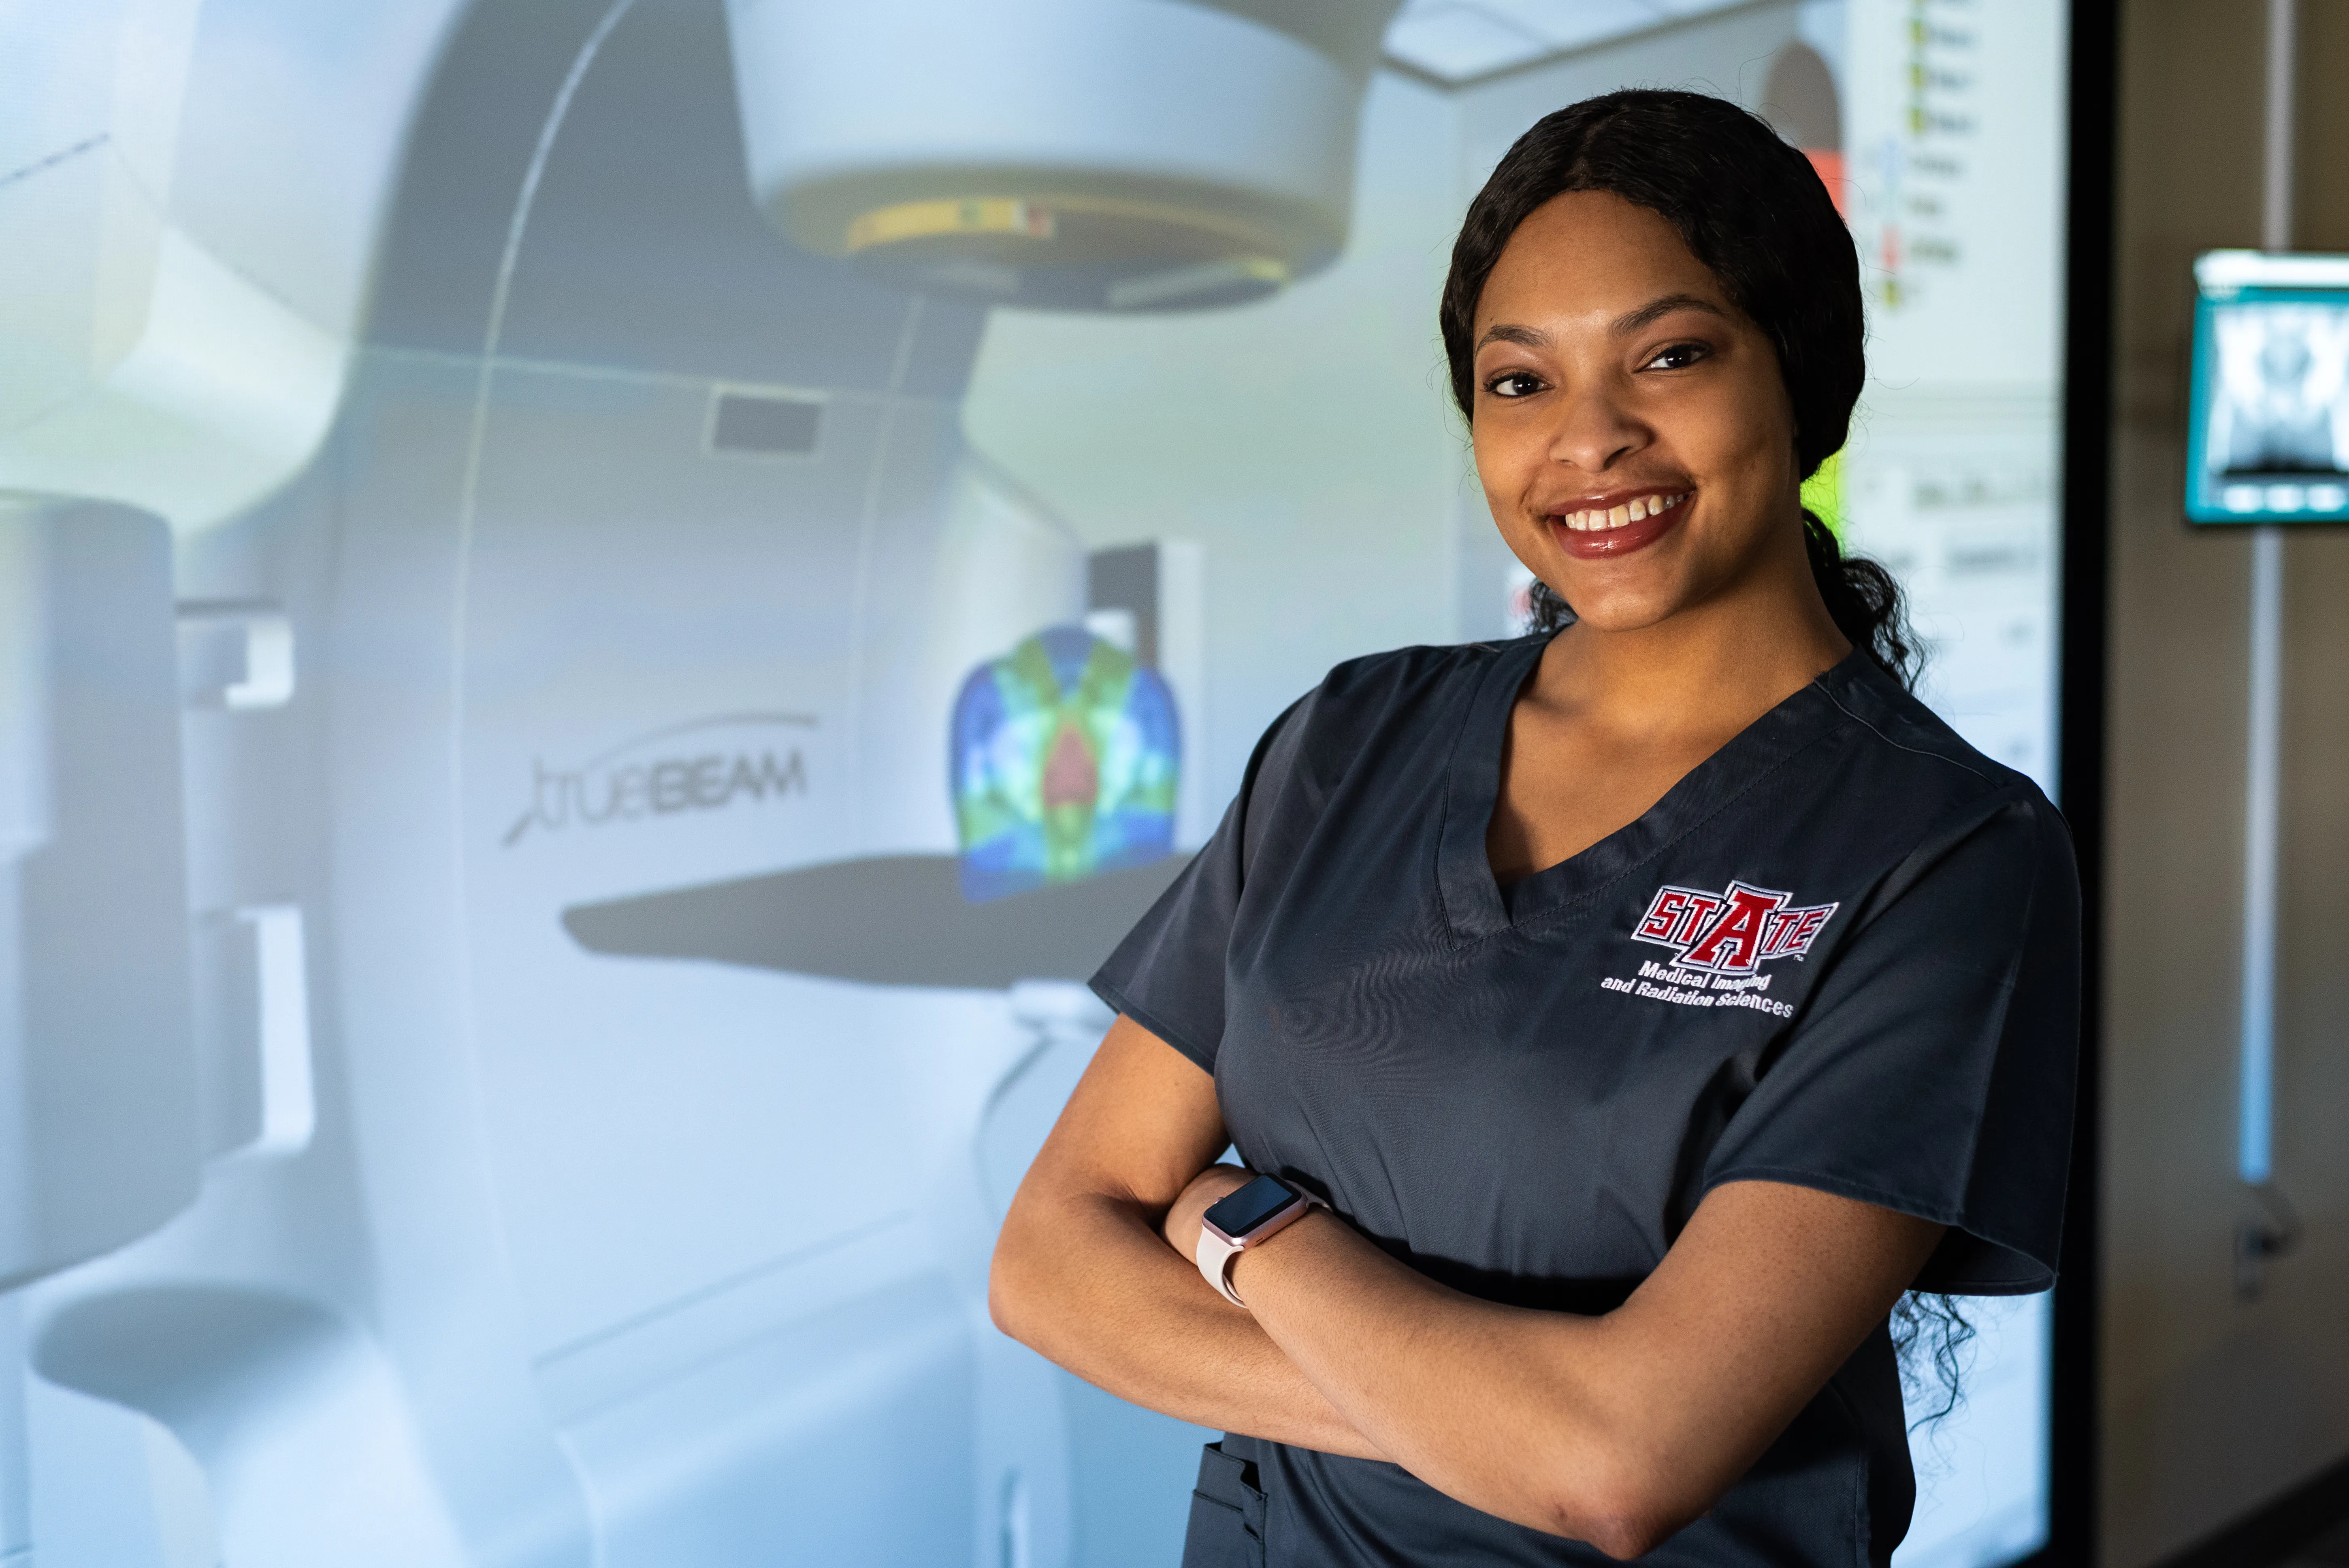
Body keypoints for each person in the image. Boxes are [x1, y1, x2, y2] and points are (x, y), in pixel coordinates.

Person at [989, 89, 2080, 1566]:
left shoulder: (1945, 852)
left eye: (1671, 356)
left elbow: (1625, 1467)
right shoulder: (1349, 744)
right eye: (1520, 384)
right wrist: (1505, 1419)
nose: (1591, 442)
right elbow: (1053, 1258)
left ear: (1804, 375)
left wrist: (1247, 1229)